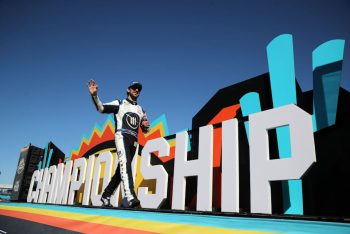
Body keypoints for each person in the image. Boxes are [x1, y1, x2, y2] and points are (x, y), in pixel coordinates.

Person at [88, 79, 150, 208]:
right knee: (126, 165)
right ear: (128, 89)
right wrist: (94, 95)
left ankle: (105, 195)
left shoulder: (141, 109)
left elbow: (145, 130)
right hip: (121, 136)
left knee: (121, 171)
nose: (137, 90)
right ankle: (131, 197)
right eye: (134, 88)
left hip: (134, 141)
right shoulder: (119, 103)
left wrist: (145, 126)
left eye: (139, 89)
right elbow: (101, 108)